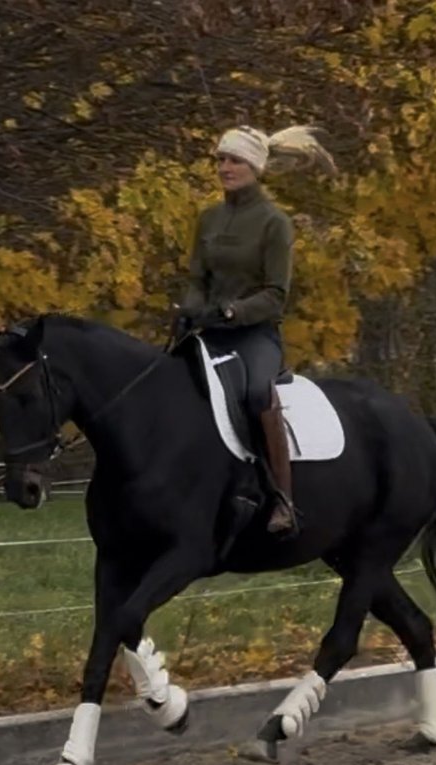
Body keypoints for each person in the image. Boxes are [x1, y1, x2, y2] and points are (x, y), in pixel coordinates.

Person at [174, 124, 336, 539]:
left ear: (255, 167)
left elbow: (275, 295)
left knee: (255, 395)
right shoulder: (207, 218)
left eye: (235, 161)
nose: (225, 168)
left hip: (255, 335)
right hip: (208, 331)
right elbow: (197, 278)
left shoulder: (274, 223)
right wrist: (191, 307)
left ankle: (282, 498)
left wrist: (234, 311)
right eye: (221, 160)